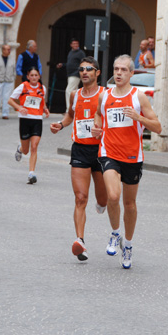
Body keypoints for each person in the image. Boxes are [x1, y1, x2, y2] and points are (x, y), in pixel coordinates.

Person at [92, 54, 162, 269]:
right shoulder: (104, 96)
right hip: (109, 152)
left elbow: (158, 127)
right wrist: (97, 129)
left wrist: (138, 118)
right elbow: (98, 115)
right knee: (113, 195)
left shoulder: (138, 97)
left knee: (130, 205)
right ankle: (114, 234)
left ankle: (128, 245)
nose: (119, 73)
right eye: (116, 69)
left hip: (133, 156)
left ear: (132, 73)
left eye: (123, 69)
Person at [50, 56, 108, 261]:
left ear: (97, 73)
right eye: (82, 69)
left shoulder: (105, 95)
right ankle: (80, 242)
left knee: (103, 200)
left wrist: (103, 130)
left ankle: (103, 204)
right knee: (80, 198)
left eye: (89, 69)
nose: (84, 72)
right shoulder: (74, 95)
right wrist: (61, 124)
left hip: (102, 152)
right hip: (80, 150)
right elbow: (70, 115)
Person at [9, 67, 50, 184]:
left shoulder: (43, 88)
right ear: (28, 76)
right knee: (26, 150)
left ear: (39, 76)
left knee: (34, 147)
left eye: (36, 75)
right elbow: (10, 100)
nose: (33, 77)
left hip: (37, 120)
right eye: (31, 75)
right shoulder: (23, 86)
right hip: (25, 120)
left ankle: (31, 173)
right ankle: (20, 148)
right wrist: (19, 108)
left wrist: (45, 109)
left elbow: (42, 101)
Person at [56, 38, 86, 113]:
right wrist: (62, 65)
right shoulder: (71, 53)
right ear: (71, 45)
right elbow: (70, 64)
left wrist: (80, 71)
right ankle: (76, 108)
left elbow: (84, 62)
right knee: (75, 92)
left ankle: (69, 110)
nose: (76, 45)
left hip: (76, 74)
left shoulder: (80, 53)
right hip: (70, 74)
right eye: (74, 44)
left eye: (77, 44)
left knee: (68, 90)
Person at [0, 44, 16, 120]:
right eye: (8, 49)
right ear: (3, 50)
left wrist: (13, 77)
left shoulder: (12, 59)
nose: (9, 51)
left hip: (9, 81)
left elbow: (14, 69)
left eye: (9, 49)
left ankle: (5, 113)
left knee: (7, 98)